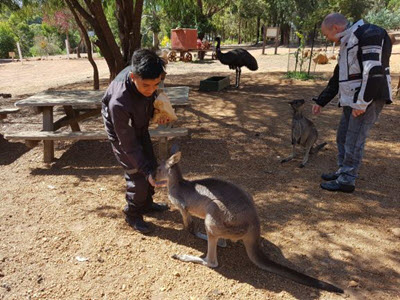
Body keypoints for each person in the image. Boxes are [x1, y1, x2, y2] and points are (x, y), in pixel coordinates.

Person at [312, 13, 393, 193]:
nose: (328, 39)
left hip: (366, 99)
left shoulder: (368, 33)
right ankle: (343, 171)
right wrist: (321, 100)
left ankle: (347, 180)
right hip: (352, 98)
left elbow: (374, 70)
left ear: (336, 28)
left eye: (327, 35)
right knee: (342, 137)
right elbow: (338, 77)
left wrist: (362, 103)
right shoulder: (348, 42)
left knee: (354, 140)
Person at [102, 49, 170, 234]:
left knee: (151, 163)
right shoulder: (119, 102)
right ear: (132, 76)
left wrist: (157, 113)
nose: (151, 90)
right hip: (121, 134)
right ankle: (133, 214)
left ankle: (146, 204)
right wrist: (146, 171)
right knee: (138, 175)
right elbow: (129, 144)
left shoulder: (147, 77)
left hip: (138, 126)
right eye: (146, 85)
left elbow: (150, 97)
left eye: (156, 84)